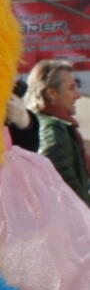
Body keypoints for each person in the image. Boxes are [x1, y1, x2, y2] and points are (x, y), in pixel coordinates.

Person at [27, 58, 90, 207]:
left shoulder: (50, 125)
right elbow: (63, 188)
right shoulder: (53, 129)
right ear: (52, 93)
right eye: (71, 88)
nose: (77, 95)